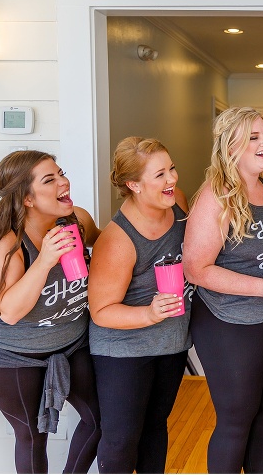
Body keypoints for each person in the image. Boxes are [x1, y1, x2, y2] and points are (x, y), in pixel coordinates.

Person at [0, 150, 102, 473]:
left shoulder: (77, 221)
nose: (64, 181)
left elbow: (111, 242)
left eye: (61, 173)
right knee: (31, 436)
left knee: (103, 419)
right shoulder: (7, 242)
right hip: (10, 355)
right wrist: (44, 260)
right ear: (27, 198)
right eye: (49, 179)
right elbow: (9, 311)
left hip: (69, 343)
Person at [183, 106, 263, 473]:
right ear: (230, 145)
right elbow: (195, 268)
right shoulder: (216, 198)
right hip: (228, 320)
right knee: (236, 421)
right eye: (253, 138)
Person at [88, 137, 192, 473]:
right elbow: (101, 311)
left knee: (155, 429)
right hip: (123, 352)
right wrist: (148, 313)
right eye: (160, 174)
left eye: (171, 168)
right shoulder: (118, 240)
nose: (172, 179)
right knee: (121, 441)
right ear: (134, 184)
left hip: (171, 343)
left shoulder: (176, 202)